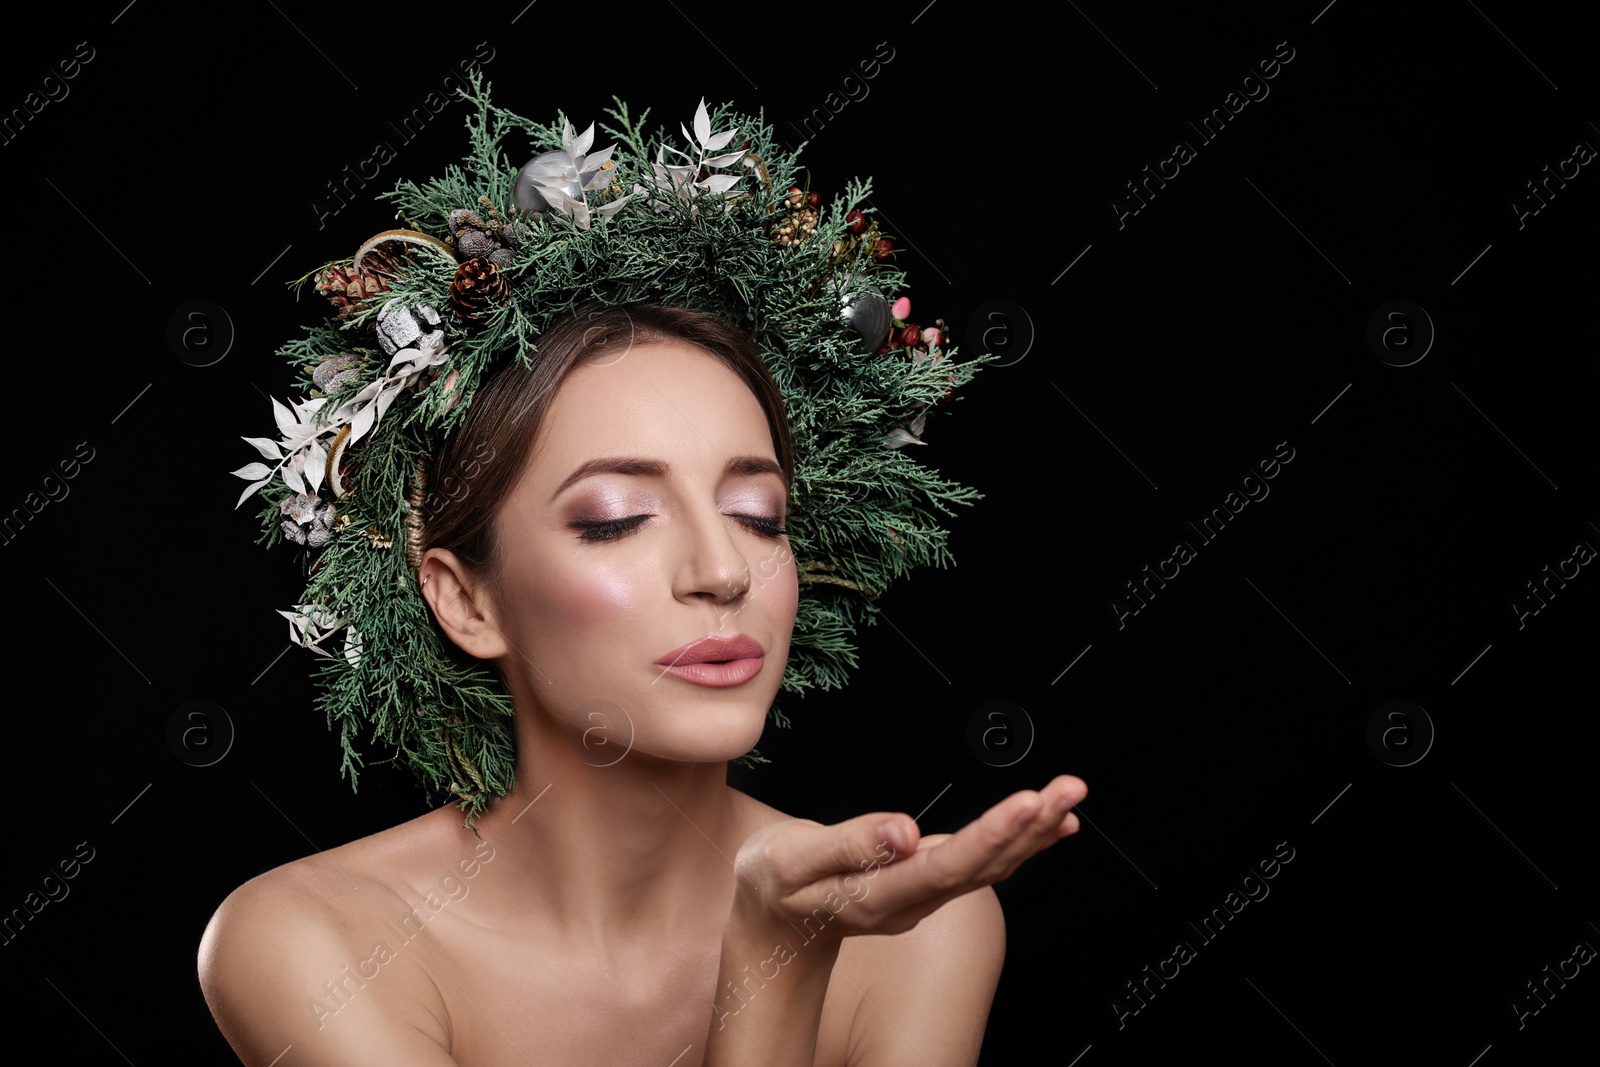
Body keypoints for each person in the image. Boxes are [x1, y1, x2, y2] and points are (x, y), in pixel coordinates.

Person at [201, 86, 1087, 1066]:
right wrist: (776, 956)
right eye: (615, 518)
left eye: (758, 516)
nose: (720, 571)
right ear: (466, 597)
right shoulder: (313, 940)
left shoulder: (919, 926)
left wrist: (782, 937)